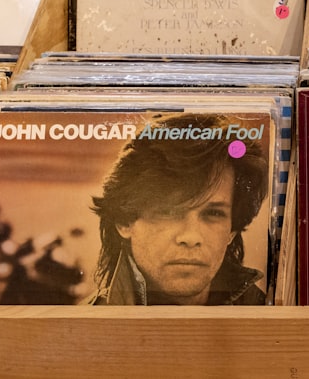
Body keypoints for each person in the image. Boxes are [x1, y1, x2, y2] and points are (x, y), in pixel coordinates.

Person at [86, 113, 270, 306]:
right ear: (124, 221)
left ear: (232, 230)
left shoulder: (269, 315)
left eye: (213, 213)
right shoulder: (82, 329)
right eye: (168, 212)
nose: (191, 237)